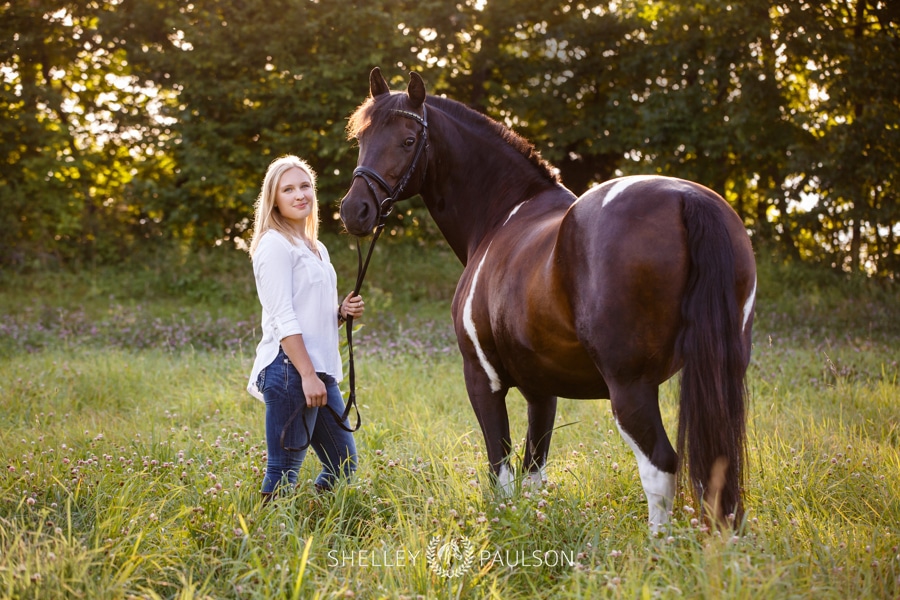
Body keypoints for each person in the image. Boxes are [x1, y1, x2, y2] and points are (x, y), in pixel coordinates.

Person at [246, 155, 364, 500]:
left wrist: (340, 312)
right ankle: (268, 545)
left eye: (305, 186)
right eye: (288, 189)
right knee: (283, 470)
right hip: (290, 370)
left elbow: (308, 309)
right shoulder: (273, 245)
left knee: (343, 464)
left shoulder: (316, 247)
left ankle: (317, 523)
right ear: (275, 199)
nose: (300, 195)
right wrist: (308, 375)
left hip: (319, 369)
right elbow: (283, 316)